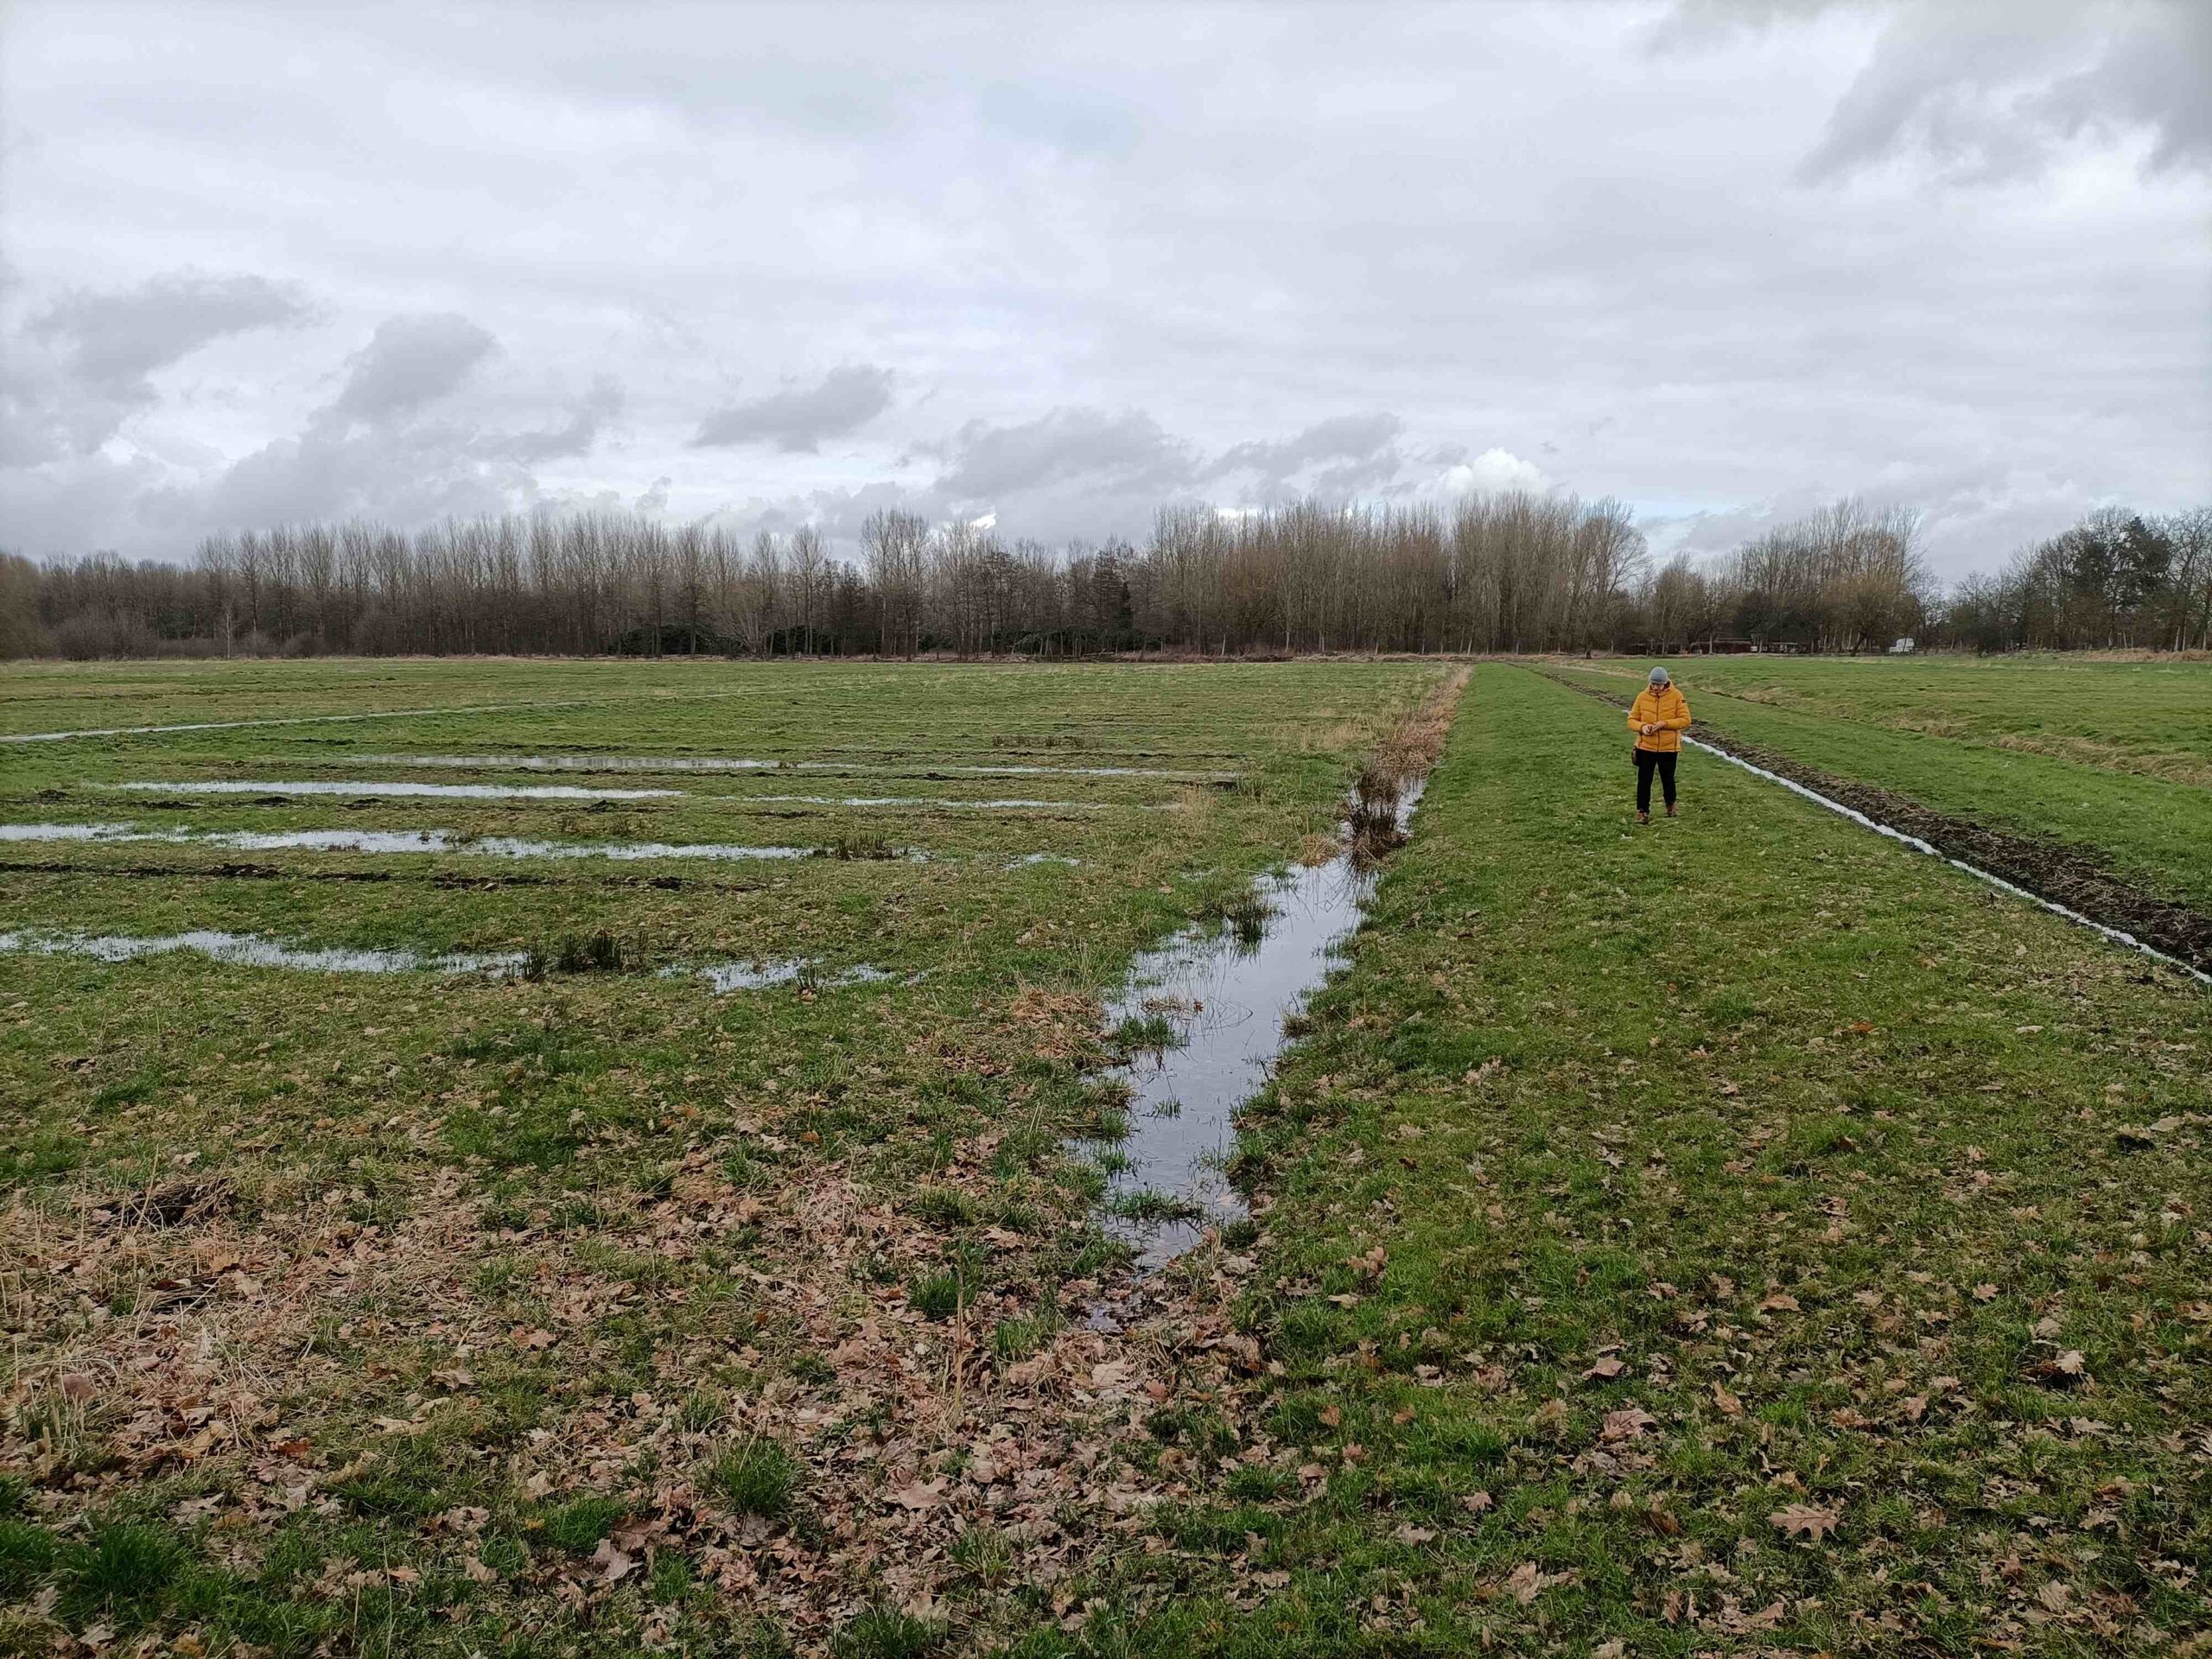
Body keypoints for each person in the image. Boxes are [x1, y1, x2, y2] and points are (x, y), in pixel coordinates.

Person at [1626, 666, 1692, 823]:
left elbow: (1685, 720)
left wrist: (1665, 723)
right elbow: (1631, 720)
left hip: (1668, 748)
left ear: (1666, 683)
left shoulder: (1677, 696)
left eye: (1659, 684)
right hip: (1646, 747)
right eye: (1653, 684)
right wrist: (1642, 727)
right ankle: (1642, 812)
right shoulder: (1642, 697)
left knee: (1668, 778)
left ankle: (1670, 805)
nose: (1655, 687)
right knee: (1644, 781)